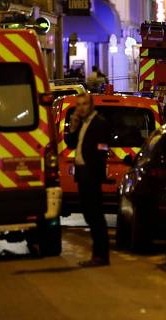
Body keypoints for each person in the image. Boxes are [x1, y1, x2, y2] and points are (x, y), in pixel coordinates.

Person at [64, 93, 111, 267]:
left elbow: (102, 148)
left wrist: (94, 169)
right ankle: (98, 255)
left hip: (91, 175)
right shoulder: (83, 123)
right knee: (89, 214)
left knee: (95, 215)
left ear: (91, 105)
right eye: (78, 104)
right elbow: (70, 142)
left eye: (84, 104)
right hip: (82, 175)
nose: (81, 107)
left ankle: (101, 256)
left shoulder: (99, 123)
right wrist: (73, 126)